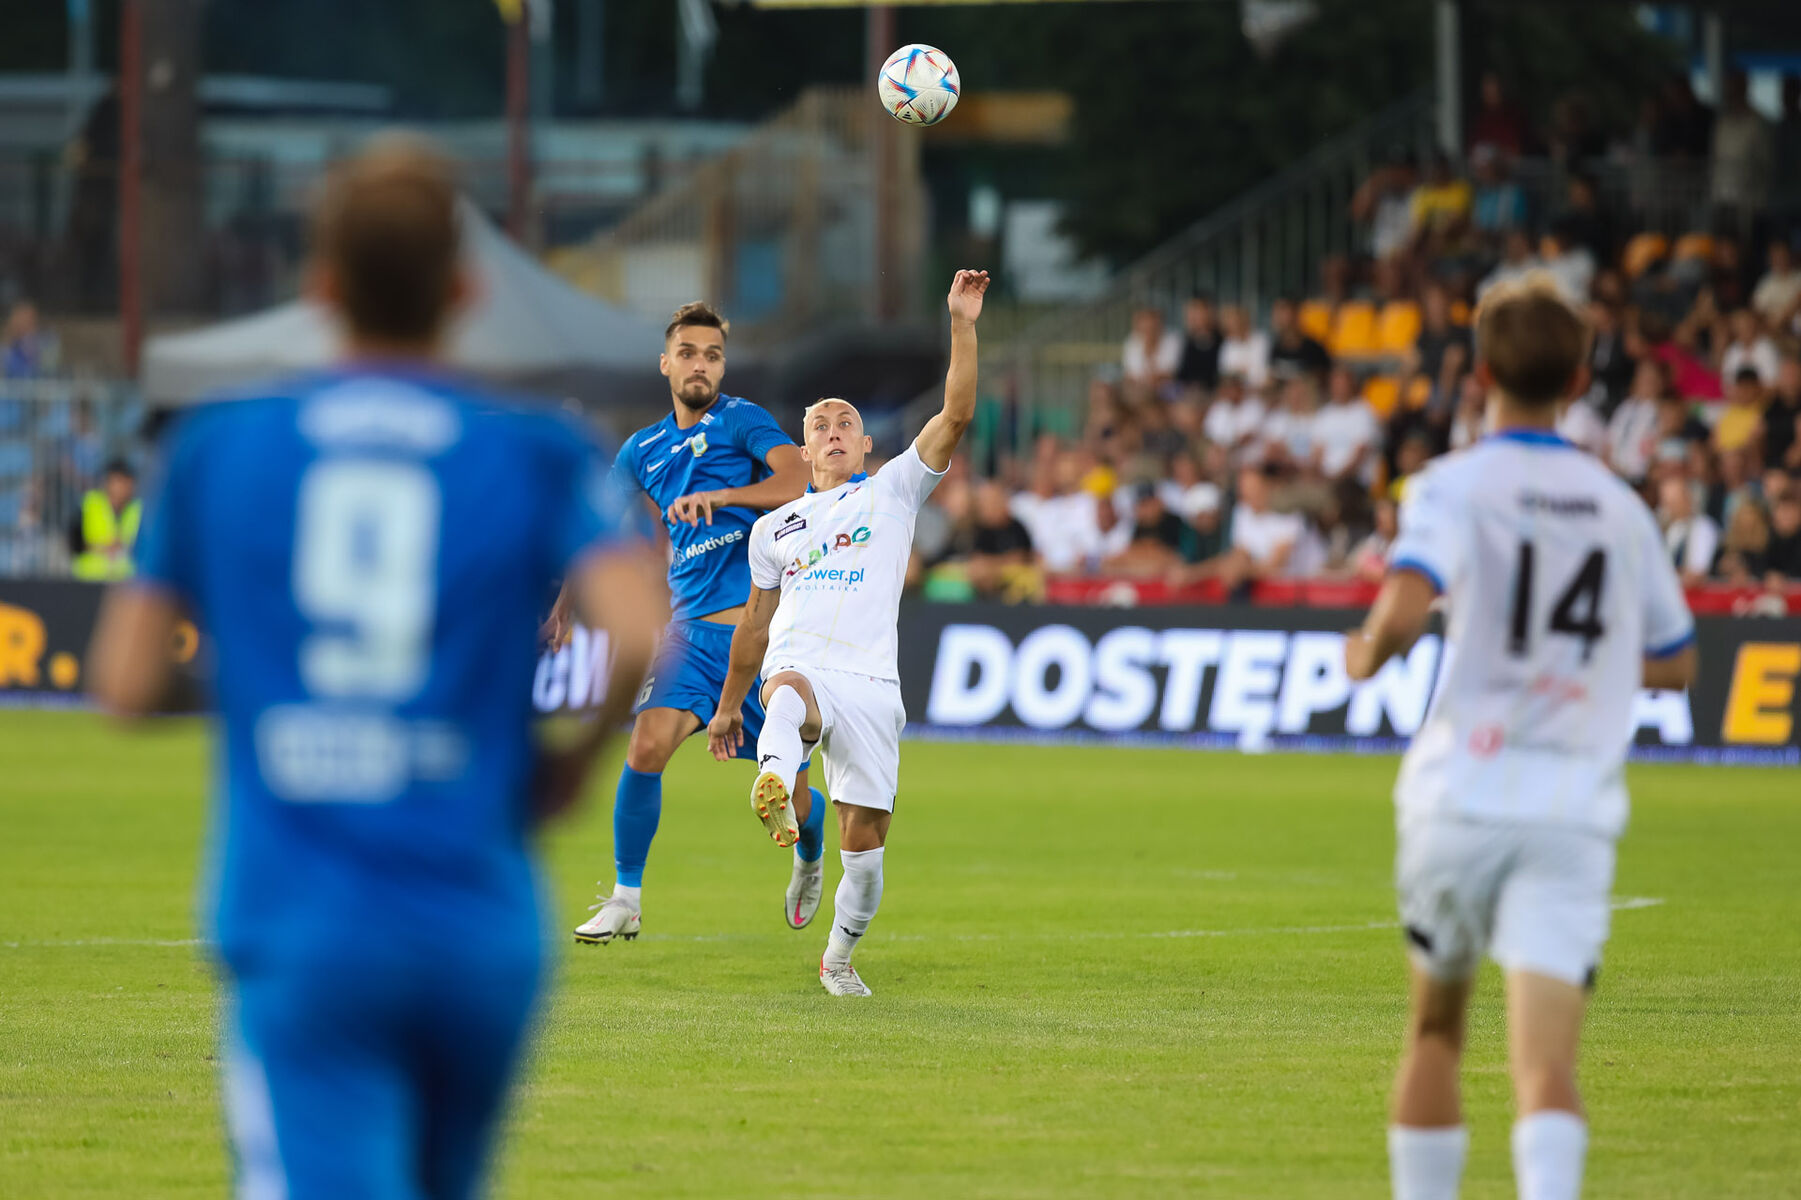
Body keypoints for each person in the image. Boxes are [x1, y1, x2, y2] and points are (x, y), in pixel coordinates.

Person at [84, 137, 666, 1200]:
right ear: (464, 289)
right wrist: (575, 760)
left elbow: (123, 685)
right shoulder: (536, 446)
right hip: (478, 927)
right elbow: (636, 631)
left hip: (307, 927)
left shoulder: (219, 444)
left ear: (320, 286)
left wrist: (262, 689)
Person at [1345, 276, 1697, 1200]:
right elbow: (1677, 660)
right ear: (1579, 378)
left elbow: (1405, 606)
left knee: (1434, 1034)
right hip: (1570, 807)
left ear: (1479, 370)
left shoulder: (1451, 484)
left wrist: (1368, 654)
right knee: (1546, 1069)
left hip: (1460, 791)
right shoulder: (1618, 505)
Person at [707, 268, 989, 997]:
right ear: (804, 452)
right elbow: (755, 624)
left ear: (865, 447)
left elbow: (954, 415)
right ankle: (774, 775)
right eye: (818, 427)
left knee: (863, 848)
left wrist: (961, 321)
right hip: (802, 667)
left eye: (844, 426)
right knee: (789, 688)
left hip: (872, 682)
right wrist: (731, 701)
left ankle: (837, 955)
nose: (832, 434)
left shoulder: (893, 490)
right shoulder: (773, 529)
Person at [571, 300, 817, 946]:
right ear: (666, 364)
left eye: (711, 355)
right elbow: (592, 525)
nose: (700, 365)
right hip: (687, 637)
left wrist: (726, 496)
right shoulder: (641, 450)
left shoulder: (742, 422)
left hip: (756, 637)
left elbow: (796, 480)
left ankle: (810, 856)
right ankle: (626, 899)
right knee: (645, 748)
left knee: (793, 796)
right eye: (688, 353)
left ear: (722, 365)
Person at [68, 458, 140, 581]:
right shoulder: (89, 504)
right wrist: (103, 548)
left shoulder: (138, 509)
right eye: (118, 481)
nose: (122, 487)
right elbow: (75, 543)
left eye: (126, 482)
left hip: (126, 583)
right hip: (88, 581)